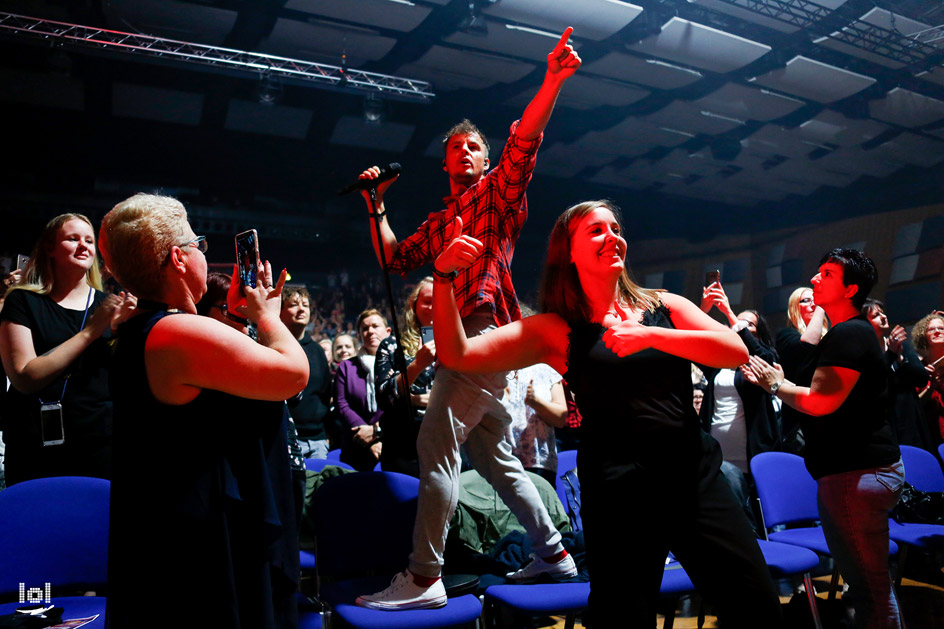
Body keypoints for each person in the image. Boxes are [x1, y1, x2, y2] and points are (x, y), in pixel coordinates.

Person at [431, 201, 782, 627]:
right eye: (596, 230)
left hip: (692, 475)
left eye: (616, 228)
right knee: (621, 618)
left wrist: (649, 334)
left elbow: (735, 351)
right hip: (619, 488)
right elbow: (458, 354)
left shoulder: (663, 306)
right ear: (569, 253)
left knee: (755, 601)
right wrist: (444, 277)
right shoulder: (555, 329)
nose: (612, 236)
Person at [355, 27, 583, 611]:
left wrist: (552, 80)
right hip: (474, 340)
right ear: (445, 162)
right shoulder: (441, 219)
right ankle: (555, 554)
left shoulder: (497, 197)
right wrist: (376, 206)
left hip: (482, 334)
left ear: (485, 160)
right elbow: (393, 257)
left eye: (473, 147)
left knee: (436, 444)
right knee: (494, 458)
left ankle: (424, 574)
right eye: (455, 149)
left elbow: (525, 140)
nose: (464, 153)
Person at [99, 193, 308, 629]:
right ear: (178, 258)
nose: (204, 255)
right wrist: (268, 315)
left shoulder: (149, 330)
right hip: (193, 538)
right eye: (199, 245)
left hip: (165, 527)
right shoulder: (176, 331)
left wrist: (234, 316)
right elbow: (292, 374)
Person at [744, 249, 903, 629]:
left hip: (854, 475)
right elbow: (802, 356)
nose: (815, 280)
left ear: (850, 288)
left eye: (827, 275)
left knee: (869, 590)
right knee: (873, 587)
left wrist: (775, 384)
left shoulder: (850, 333)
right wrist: (818, 315)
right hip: (864, 471)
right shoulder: (847, 331)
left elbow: (818, 402)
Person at [0, 214, 131, 485]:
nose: (83, 246)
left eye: (89, 240)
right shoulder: (22, 301)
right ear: (50, 248)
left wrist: (122, 331)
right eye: (73, 239)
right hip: (34, 441)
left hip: (98, 443)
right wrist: (90, 333)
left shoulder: (110, 305)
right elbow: (25, 377)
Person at [374, 277, 436, 477]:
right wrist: (418, 364)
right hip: (402, 444)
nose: (434, 307)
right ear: (413, 304)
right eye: (427, 301)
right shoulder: (391, 345)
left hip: (443, 441)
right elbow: (384, 397)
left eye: (440, 301)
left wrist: (408, 396)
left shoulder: (459, 342)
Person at [863, 299, 933, 450]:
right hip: (885, 421)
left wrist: (901, 359)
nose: (883, 316)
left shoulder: (901, 345)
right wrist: (891, 354)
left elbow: (921, 379)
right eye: (876, 315)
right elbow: (873, 384)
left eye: (882, 312)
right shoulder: (864, 353)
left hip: (911, 416)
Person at [775, 286, 828, 454]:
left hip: (829, 412)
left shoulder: (832, 334)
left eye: (816, 299)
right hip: (800, 417)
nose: (813, 304)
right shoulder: (786, 334)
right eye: (806, 300)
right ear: (795, 308)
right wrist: (821, 306)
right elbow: (806, 345)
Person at [281, 286, 333, 459]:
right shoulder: (271, 347)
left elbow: (325, 394)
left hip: (317, 440)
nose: (301, 309)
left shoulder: (318, 351)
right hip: (282, 439)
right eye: (294, 304)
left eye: (305, 304)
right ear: (280, 311)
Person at [335, 308, 390, 471]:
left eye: (375, 326)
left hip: (389, 443)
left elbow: (399, 404)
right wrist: (366, 434)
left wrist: (377, 433)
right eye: (365, 328)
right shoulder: (347, 367)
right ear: (359, 335)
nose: (370, 331)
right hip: (355, 442)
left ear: (387, 332)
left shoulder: (398, 364)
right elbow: (342, 405)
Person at [912, 311, 944, 444]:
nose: (937, 331)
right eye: (931, 329)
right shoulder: (917, 368)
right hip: (930, 437)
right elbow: (912, 405)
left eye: (941, 328)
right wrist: (931, 388)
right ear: (923, 336)